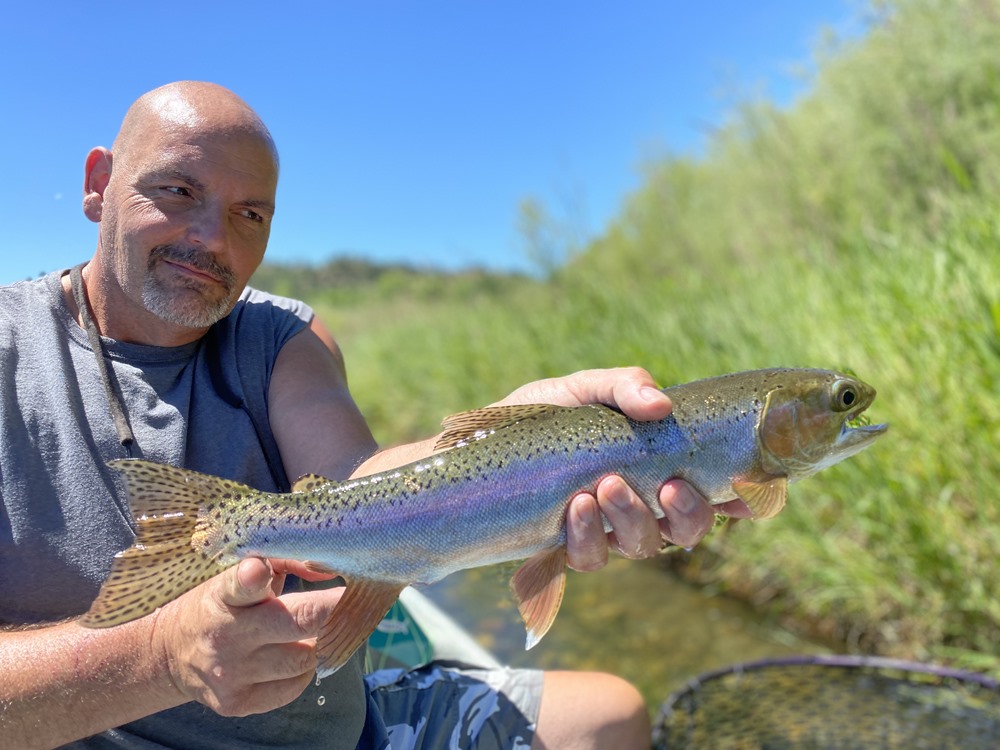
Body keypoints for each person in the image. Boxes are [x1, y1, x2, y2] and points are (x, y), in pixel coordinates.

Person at [0, 81, 747, 749]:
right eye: (176, 190)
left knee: (608, 717)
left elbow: (363, 482)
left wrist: (517, 441)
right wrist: (157, 660)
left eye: (249, 213)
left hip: (351, 730)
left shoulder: (281, 338)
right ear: (99, 184)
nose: (212, 239)